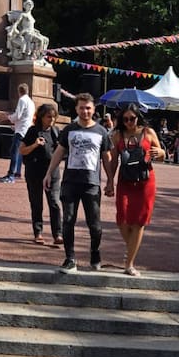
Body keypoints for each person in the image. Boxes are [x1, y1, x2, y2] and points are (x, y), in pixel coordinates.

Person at [44, 93, 112, 273]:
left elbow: (106, 158)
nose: (85, 111)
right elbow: (59, 152)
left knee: (94, 224)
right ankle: (70, 258)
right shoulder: (69, 130)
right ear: (76, 109)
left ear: (93, 109)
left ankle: (95, 253)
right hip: (70, 182)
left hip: (91, 183)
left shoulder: (101, 132)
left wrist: (111, 181)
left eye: (88, 108)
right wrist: (49, 173)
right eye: (81, 108)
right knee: (68, 220)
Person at [103, 103, 165, 276]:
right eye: (125, 119)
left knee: (139, 221)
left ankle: (129, 263)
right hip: (125, 180)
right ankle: (132, 247)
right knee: (122, 219)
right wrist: (109, 181)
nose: (129, 122)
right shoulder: (117, 135)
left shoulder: (148, 132)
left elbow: (161, 155)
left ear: (138, 117)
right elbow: (113, 161)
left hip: (145, 182)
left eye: (132, 118)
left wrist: (159, 152)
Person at [19, 103, 62, 245]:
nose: (52, 120)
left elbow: (61, 152)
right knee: (36, 203)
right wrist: (35, 145)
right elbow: (22, 150)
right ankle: (38, 232)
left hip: (52, 173)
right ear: (42, 117)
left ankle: (58, 234)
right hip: (34, 172)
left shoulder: (56, 132)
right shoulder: (33, 131)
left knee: (54, 203)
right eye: (49, 117)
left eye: (54, 117)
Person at [0, 84, 34, 184]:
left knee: (14, 151)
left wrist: (8, 117)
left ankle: (11, 175)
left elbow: (18, 115)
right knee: (21, 152)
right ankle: (17, 172)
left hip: (21, 130)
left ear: (19, 91)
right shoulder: (31, 102)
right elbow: (25, 117)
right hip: (26, 128)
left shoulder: (22, 100)